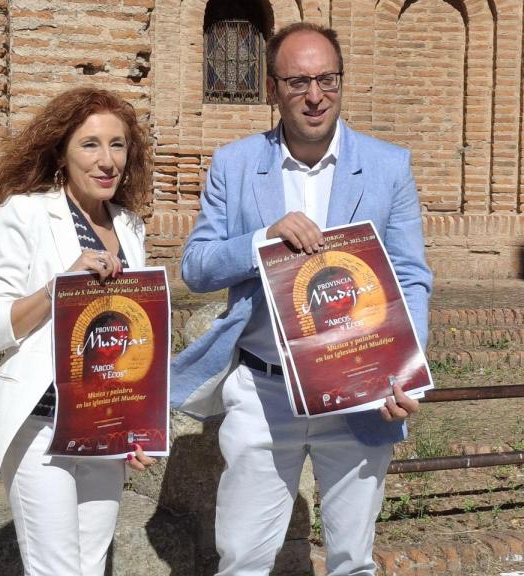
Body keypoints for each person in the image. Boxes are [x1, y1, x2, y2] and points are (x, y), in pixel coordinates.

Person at [171, 22, 433, 576]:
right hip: (264, 392)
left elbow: (411, 278)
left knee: (352, 560)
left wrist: (404, 373)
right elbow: (195, 267)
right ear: (272, 89)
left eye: (326, 79)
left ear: (341, 81)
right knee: (241, 557)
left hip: (360, 387)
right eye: (297, 83)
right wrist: (262, 239)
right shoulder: (235, 164)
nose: (315, 96)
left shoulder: (389, 166)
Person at [0, 87, 157, 576]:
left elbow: (130, 334)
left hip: (104, 427)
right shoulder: (24, 215)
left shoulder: (130, 226)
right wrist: (58, 288)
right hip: (39, 426)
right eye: (90, 145)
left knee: (90, 568)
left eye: (117, 144)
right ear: (61, 153)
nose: (107, 160)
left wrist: (139, 425)